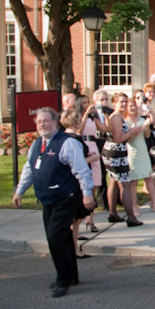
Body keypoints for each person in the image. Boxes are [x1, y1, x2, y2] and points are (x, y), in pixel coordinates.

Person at [12, 107, 96, 298]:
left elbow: (81, 170)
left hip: (66, 198)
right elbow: (28, 169)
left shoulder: (67, 143)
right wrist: (20, 192)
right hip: (48, 200)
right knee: (63, 236)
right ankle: (71, 275)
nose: (43, 124)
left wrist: (87, 194)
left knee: (54, 237)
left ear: (56, 122)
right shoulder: (36, 145)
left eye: (46, 121)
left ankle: (63, 279)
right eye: (40, 121)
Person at [97, 92, 143, 226]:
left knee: (113, 181)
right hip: (115, 153)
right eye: (120, 102)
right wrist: (132, 132)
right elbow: (118, 139)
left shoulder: (116, 116)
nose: (123, 104)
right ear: (114, 103)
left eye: (125, 101)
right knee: (125, 184)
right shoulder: (116, 117)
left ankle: (113, 213)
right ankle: (131, 217)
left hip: (113, 152)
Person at [60, 103, 100, 257]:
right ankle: (74, 248)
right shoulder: (74, 139)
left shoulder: (63, 137)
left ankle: (73, 245)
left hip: (69, 181)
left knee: (77, 217)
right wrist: (93, 158)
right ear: (75, 122)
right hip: (76, 182)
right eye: (78, 119)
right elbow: (77, 163)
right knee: (76, 218)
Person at [126, 94, 155, 214]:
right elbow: (130, 137)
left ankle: (153, 202)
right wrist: (142, 126)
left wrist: (147, 127)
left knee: (149, 177)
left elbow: (147, 135)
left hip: (143, 149)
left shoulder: (141, 120)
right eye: (130, 107)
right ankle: (134, 206)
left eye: (134, 106)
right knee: (134, 181)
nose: (133, 108)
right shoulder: (126, 122)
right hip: (132, 151)